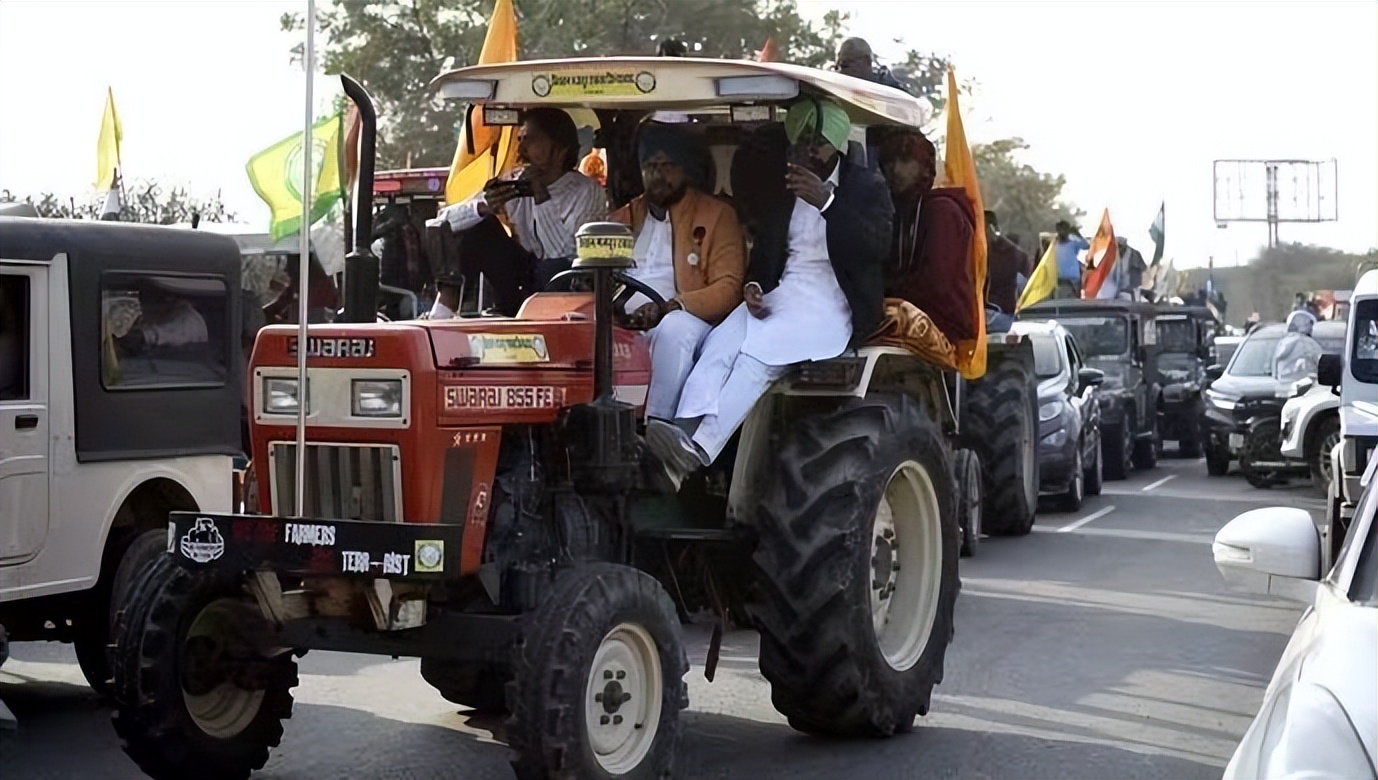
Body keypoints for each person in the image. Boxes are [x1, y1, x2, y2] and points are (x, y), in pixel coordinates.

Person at [645, 98, 892, 487]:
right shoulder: (787, 185)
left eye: (815, 145)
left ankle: (699, 448)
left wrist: (827, 202)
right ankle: (681, 433)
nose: (806, 154)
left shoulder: (866, 186)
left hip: (831, 302)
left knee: (755, 358)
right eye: (799, 145)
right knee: (722, 342)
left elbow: (875, 246)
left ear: (836, 145)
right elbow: (767, 252)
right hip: (785, 292)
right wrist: (755, 287)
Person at [607, 123, 746, 420]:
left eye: (668, 165)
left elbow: (729, 288)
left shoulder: (717, 215)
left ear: (688, 169)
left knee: (675, 330)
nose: (658, 175)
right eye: (650, 166)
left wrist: (670, 308)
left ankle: (658, 426)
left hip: (689, 319)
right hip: (620, 317)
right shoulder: (622, 218)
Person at [427, 108, 607, 318]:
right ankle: (444, 310)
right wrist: (484, 206)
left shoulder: (586, 191)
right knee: (477, 226)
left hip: (561, 285)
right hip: (519, 276)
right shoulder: (513, 179)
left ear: (560, 150)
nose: (520, 149)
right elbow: (444, 222)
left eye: (530, 140)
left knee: (555, 266)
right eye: (519, 139)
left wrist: (540, 195)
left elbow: (559, 254)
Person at [876, 129, 977, 344]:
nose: (894, 170)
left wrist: (882, 294)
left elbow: (937, 282)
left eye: (904, 161)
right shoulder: (899, 209)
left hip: (940, 327)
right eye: (888, 162)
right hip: (911, 320)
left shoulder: (940, 210)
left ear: (924, 167)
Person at [115, 281, 208, 356]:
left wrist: (139, 336)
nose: (140, 298)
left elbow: (153, 335)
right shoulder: (154, 310)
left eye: (143, 293)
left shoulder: (188, 318)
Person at [983, 210, 1032, 327]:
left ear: (990, 227)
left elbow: (1024, 290)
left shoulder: (1014, 255)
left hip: (1003, 317)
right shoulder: (973, 251)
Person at [835, 38, 907, 92]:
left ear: (867, 60)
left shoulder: (889, 89)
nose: (842, 71)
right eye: (839, 66)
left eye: (848, 63)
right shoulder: (835, 88)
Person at [1273, 309, 1323, 383]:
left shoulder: (1282, 343)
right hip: (1305, 386)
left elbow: (1274, 365)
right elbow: (1320, 363)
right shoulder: (1309, 343)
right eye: (1310, 324)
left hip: (1282, 384)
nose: (1311, 328)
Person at [1053, 220, 1089, 298]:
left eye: (1065, 229)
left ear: (1068, 231)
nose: (1062, 232)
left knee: (1073, 306)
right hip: (1060, 281)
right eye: (1060, 229)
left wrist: (1077, 233)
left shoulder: (1073, 243)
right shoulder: (1054, 245)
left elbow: (1087, 246)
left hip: (1074, 282)